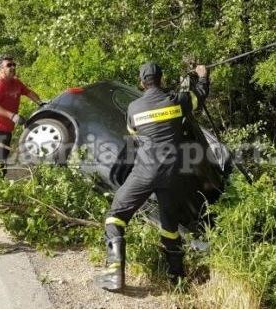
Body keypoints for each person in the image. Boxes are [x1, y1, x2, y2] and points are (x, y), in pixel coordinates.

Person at [94, 62, 209, 292]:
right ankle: (176, 279)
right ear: (161, 79)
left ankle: (114, 276)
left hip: (145, 171)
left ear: (141, 82)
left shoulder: (135, 107)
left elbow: (134, 134)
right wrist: (202, 76)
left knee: (115, 216)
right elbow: (200, 96)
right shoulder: (177, 100)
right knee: (169, 226)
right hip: (173, 174)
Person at [0, 55, 42, 175]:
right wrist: (13, 116)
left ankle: (0, 182)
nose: (13, 67)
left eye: (14, 65)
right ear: (0, 68)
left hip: (6, 128)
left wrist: (41, 102)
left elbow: (28, 92)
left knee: (2, 156)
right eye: (9, 65)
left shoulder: (16, 82)